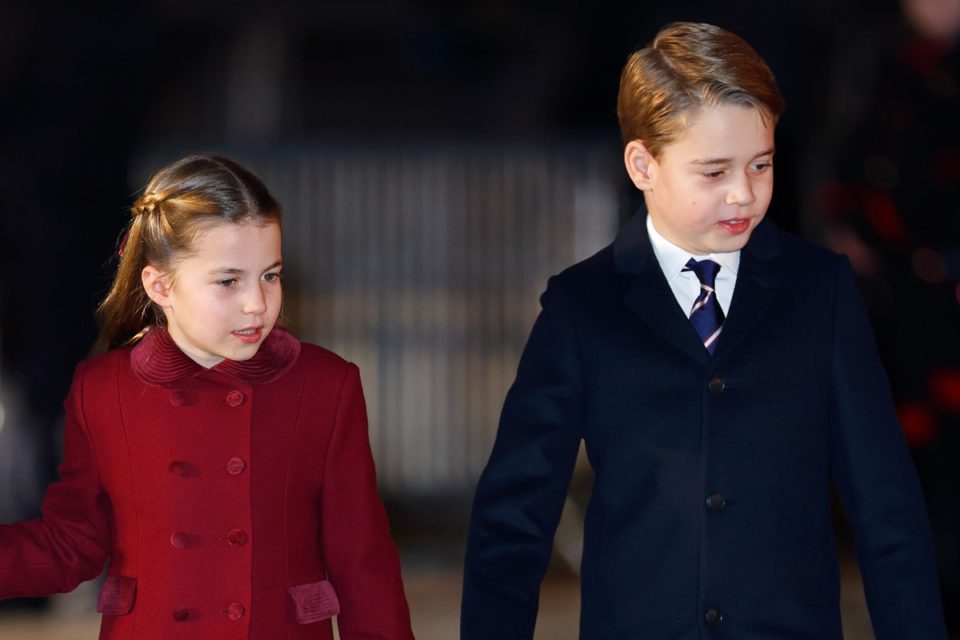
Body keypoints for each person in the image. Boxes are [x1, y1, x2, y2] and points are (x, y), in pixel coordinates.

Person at [461, 22, 946, 639]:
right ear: (643, 164)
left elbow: (886, 507)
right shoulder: (583, 307)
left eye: (762, 165)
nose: (744, 193)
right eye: (714, 173)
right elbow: (515, 517)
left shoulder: (819, 291)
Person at [0, 154, 415, 639]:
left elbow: (362, 561)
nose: (257, 303)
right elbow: (73, 542)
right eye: (228, 281)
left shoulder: (325, 385)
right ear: (160, 285)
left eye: (270, 275)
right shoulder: (102, 390)